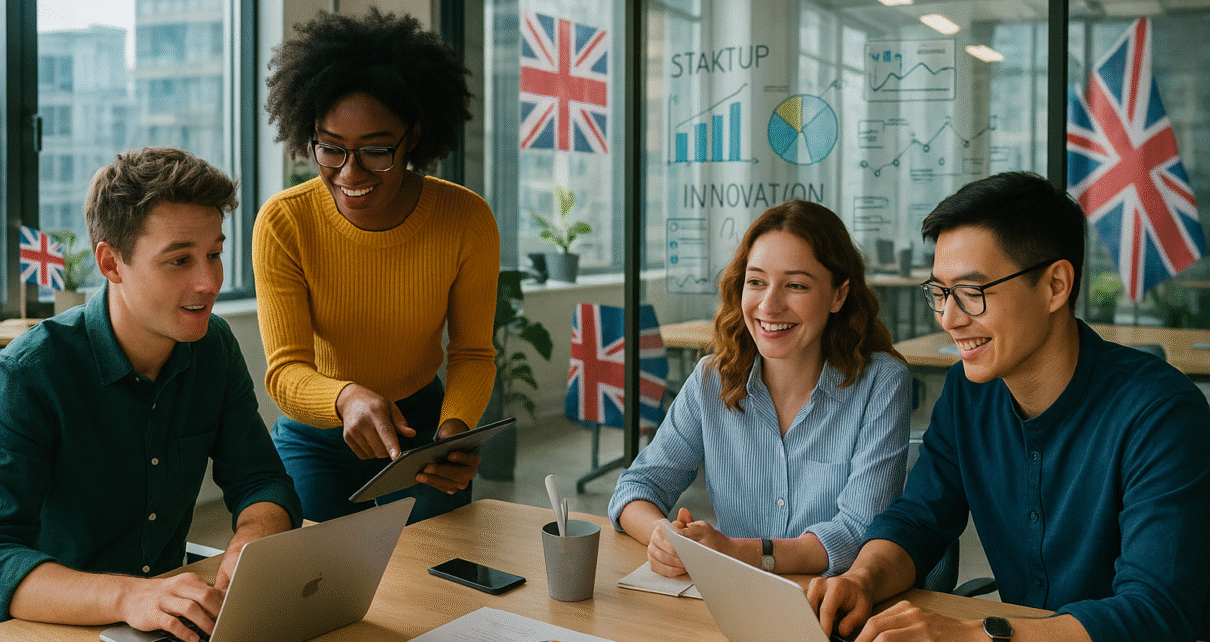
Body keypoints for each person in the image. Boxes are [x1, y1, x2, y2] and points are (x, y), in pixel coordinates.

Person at [808, 171, 1210, 642]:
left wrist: (973, 635)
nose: (950, 319)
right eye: (940, 292)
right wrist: (862, 579)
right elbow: (918, 518)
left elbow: (1156, 611)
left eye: (972, 293)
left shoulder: (1161, 414)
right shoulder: (967, 391)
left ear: (1056, 285)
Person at [0, 148, 302, 642]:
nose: (208, 283)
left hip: (168, 626)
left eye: (214, 254)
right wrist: (128, 596)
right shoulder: (29, 375)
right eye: (179, 259)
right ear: (110, 262)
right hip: (52, 628)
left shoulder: (215, 347)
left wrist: (252, 541)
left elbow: (261, 481)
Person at [255, 8, 499, 523]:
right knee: (312, 586)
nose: (350, 173)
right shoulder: (285, 222)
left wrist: (454, 434)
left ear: (414, 135)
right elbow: (285, 371)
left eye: (376, 150)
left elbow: (472, 351)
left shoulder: (465, 219)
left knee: (431, 579)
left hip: (422, 430)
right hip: (314, 434)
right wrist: (345, 398)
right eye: (331, 148)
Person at [607, 200, 911, 578]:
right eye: (756, 281)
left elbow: (858, 533)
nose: (769, 305)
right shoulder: (710, 380)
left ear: (838, 295)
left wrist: (738, 551)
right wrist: (665, 538)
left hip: (830, 607)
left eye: (796, 285)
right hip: (732, 602)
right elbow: (637, 486)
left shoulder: (882, 384)